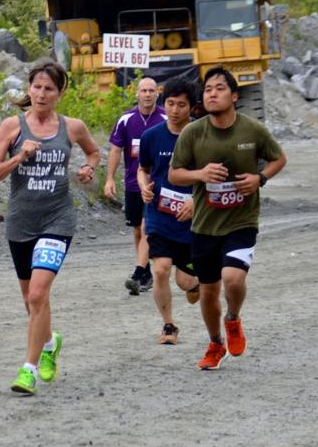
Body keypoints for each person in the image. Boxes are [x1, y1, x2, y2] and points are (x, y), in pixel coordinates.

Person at [0, 61, 100, 395]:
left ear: (60, 92)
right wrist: (18, 157)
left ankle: (28, 370)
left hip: (57, 219)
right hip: (21, 221)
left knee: (38, 293)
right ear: (29, 89)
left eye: (49, 88)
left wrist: (88, 169)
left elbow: (94, 153)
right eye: (36, 87)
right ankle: (49, 343)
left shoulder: (72, 127)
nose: (41, 93)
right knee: (31, 300)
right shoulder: (12, 126)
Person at [169, 67, 287, 371]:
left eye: (219, 88)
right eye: (208, 89)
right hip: (205, 225)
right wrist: (200, 174)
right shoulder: (192, 133)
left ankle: (233, 319)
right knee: (208, 291)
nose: (212, 93)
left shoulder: (253, 130)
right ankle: (215, 342)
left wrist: (259, 178)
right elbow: (175, 174)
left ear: (234, 96)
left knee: (233, 279)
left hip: (242, 220)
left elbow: (279, 158)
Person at [135, 78, 202, 345]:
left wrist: (196, 201)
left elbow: (216, 176)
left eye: (181, 105)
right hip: (160, 215)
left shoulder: (202, 136)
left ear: (192, 108)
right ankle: (169, 326)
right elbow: (143, 169)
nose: (175, 110)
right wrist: (143, 187)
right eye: (171, 104)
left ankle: (195, 284)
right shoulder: (151, 136)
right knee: (161, 270)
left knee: (186, 283)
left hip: (192, 221)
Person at [104, 77, 166, 295]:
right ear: (137, 94)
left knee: (147, 225)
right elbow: (115, 150)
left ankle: (139, 272)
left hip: (156, 185)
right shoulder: (126, 119)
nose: (147, 94)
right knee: (137, 228)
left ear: (157, 93)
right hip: (132, 183)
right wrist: (110, 178)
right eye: (144, 91)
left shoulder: (165, 118)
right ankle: (146, 271)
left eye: (151, 90)